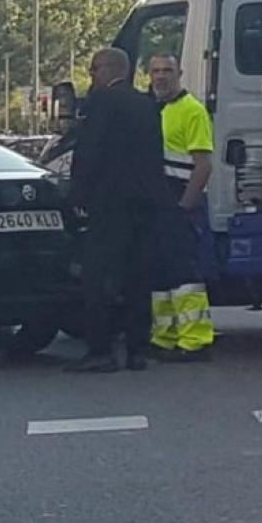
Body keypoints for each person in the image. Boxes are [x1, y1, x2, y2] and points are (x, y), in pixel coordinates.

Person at [66, 47, 169, 374]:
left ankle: (100, 351)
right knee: (137, 276)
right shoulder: (146, 104)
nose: (92, 77)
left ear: (108, 69)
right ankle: (138, 349)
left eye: (94, 69)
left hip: (109, 203)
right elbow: (155, 157)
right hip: (144, 202)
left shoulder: (100, 103)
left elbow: (90, 152)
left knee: (97, 277)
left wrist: (77, 195)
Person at [147, 54, 217, 362]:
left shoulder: (192, 110)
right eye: (155, 71)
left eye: (167, 71)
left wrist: (184, 206)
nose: (160, 76)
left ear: (180, 73)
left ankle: (195, 340)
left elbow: (203, 165)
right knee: (162, 276)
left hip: (181, 201)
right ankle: (165, 337)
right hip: (160, 203)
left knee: (185, 274)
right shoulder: (154, 109)